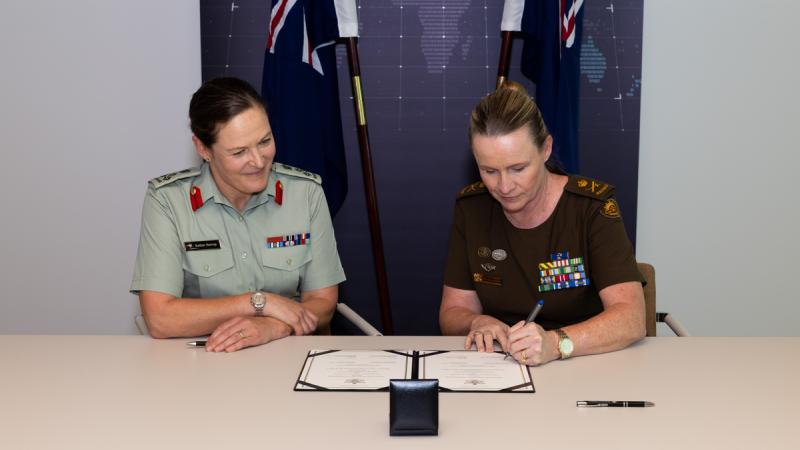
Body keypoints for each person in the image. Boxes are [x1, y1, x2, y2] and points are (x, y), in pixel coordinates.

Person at [130, 77, 345, 352]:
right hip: (202, 360)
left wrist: (273, 327)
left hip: (287, 354)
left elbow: (323, 302)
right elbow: (160, 319)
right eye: (239, 151)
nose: (258, 161)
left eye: (264, 141)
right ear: (203, 149)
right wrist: (260, 303)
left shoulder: (305, 193)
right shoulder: (168, 201)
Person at [439, 82, 645, 366]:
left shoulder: (590, 207)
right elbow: (453, 310)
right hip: (501, 367)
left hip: (587, 363)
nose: (505, 186)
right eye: (489, 171)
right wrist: (477, 321)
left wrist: (555, 343)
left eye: (518, 168)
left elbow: (631, 318)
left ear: (546, 149)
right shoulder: (472, 208)